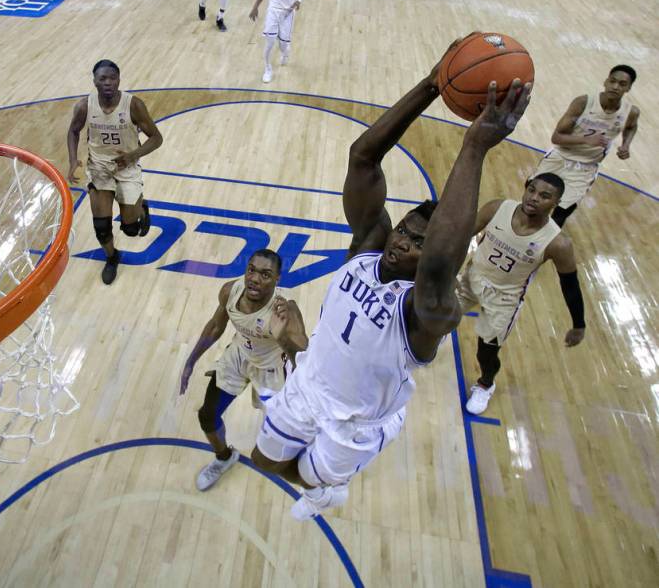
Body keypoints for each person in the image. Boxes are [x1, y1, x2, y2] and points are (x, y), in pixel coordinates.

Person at [250, 37, 533, 520]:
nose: (403, 240)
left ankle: (325, 490)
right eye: (404, 229)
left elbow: (444, 260)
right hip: (307, 386)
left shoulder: (426, 310)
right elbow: (362, 158)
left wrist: (475, 146)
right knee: (264, 462)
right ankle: (320, 482)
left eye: (419, 242)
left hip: (357, 423)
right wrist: (431, 84)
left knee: (313, 479)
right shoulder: (367, 248)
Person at [458, 173, 586, 415]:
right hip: (471, 277)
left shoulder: (558, 243)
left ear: (556, 204)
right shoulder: (498, 208)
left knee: (486, 352)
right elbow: (463, 235)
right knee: (436, 316)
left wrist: (578, 324)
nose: (534, 198)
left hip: (504, 299)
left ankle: (486, 384)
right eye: (532, 190)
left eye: (544, 196)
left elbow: (570, 284)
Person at [179, 250, 308, 491]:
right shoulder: (231, 290)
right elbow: (216, 326)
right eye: (251, 270)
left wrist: (283, 337)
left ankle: (310, 470)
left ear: (277, 279)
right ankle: (224, 457)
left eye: (265, 274)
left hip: (273, 372)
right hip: (239, 356)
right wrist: (191, 361)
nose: (255, 279)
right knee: (207, 415)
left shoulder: (285, 311)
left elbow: (305, 359)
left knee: (282, 434)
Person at [67, 60, 163, 285]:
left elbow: (157, 138)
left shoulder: (133, 105)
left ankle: (142, 207)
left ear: (119, 80)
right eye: (103, 79)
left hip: (127, 167)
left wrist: (132, 155)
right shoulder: (84, 106)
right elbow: (73, 131)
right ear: (94, 81)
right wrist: (73, 160)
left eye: (112, 78)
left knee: (131, 229)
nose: (108, 83)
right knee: (101, 227)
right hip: (99, 168)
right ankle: (112, 257)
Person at [535, 65, 640, 227]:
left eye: (622, 84)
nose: (615, 87)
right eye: (612, 81)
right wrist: (585, 139)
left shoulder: (630, 112)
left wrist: (626, 145)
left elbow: (631, 126)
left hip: (586, 167)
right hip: (560, 157)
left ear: (629, 88)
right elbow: (556, 137)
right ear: (605, 81)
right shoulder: (584, 102)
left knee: (561, 215)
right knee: (534, 203)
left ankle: (541, 247)